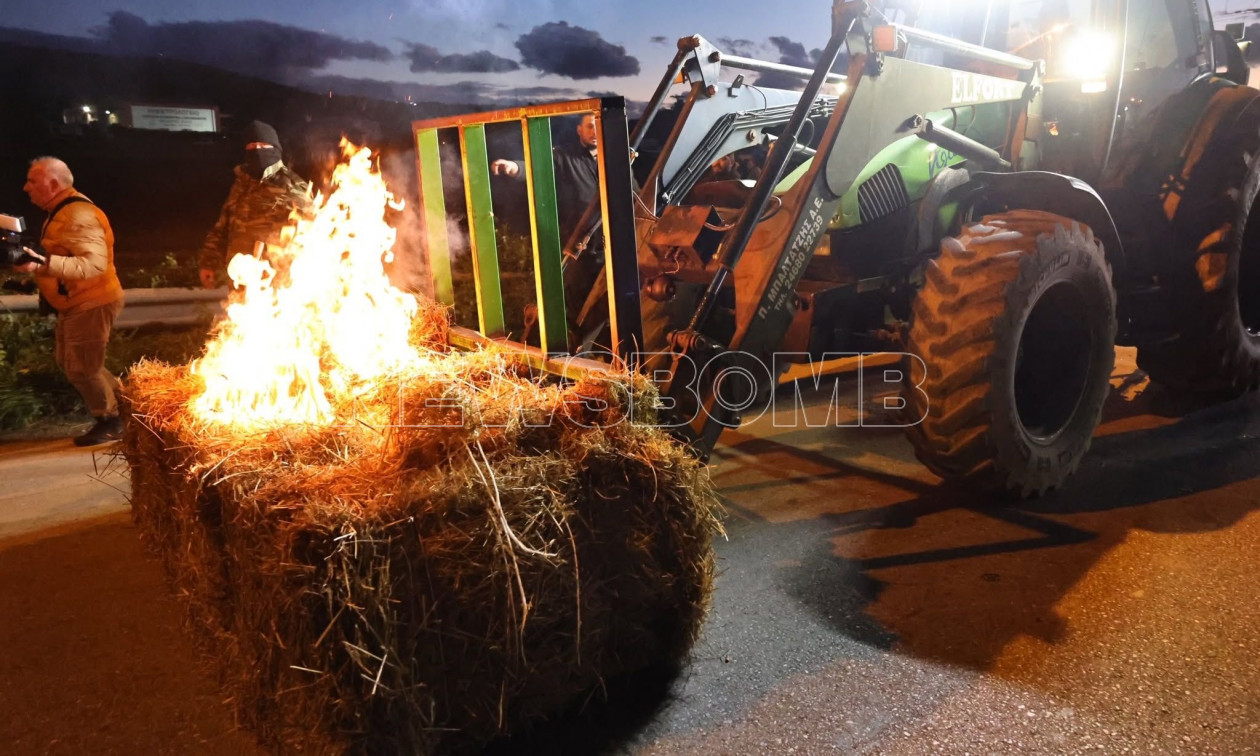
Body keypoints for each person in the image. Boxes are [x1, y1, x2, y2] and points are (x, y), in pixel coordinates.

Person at [14, 157, 126, 446]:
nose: (26, 187)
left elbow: (93, 265)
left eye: (32, 181)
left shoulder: (77, 214)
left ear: (53, 184)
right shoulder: (61, 210)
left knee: (82, 367)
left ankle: (112, 420)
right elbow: (61, 255)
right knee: (72, 361)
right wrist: (33, 272)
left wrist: (42, 264)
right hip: (76, 301)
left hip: (91, 301)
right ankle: (129, 404)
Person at [198, 121, 312, 288]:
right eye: (252, 146)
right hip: (240, 279)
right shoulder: (242, 184)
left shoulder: (292, 186)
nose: (257, 150)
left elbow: (309, 238)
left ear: (275, 148)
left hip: (275, 284)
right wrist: (209, 262)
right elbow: (222, 226)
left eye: (263, 145)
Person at [491, 112, 599, 247]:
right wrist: (514, 167)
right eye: (590, 126)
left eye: (598, 126)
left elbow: (633, 191)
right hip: (575, 243)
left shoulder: (613, 158)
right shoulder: (564, 156)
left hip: (608, 241)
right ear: (579, 130)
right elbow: (539, 166)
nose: (594, 131)